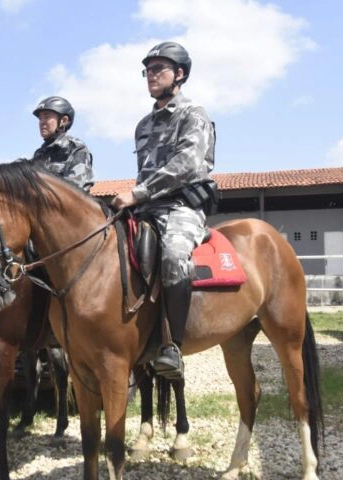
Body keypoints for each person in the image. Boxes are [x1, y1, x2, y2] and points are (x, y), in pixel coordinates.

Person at [111, 41, 217, 380]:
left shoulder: (193, 114)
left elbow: (187, 165)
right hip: (146, 208)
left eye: (159, 69)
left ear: (180, 74)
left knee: (172, 256)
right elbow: (145, 172)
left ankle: (173, 346)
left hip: (182, 206)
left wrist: (136, 193)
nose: (151, 75)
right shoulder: (143, 125)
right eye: (147, 70)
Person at [32, 96, 94, 192]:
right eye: (40, 118)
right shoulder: (39, 153)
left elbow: (74, 191)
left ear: (64, 121)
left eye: (46, 117)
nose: (42, 122)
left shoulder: (76, 149)